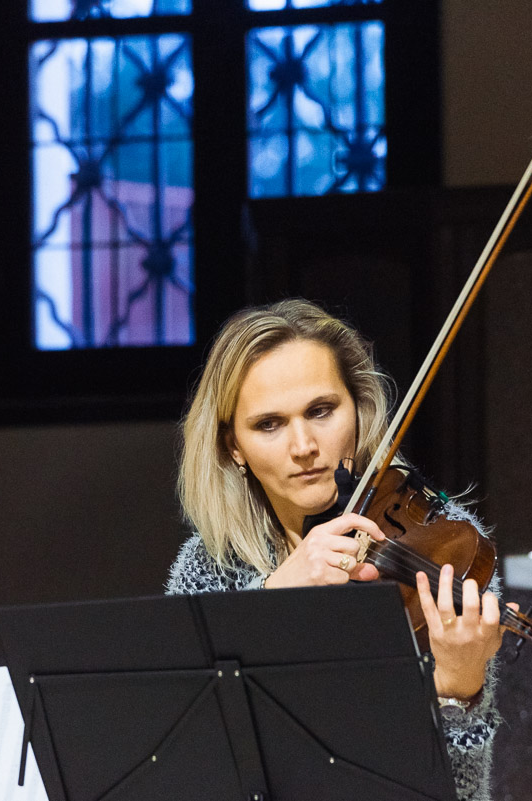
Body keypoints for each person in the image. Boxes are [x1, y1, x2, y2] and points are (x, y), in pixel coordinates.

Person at [166, 298, 507, 801]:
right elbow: (189, 761)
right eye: (269, 424)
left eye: (321, 411)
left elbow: (461, 792)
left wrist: (458, 692)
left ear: (358, 407)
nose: (303, 445)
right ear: (233, 446)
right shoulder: (207, 568)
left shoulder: (445, 542)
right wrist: (273, 596)